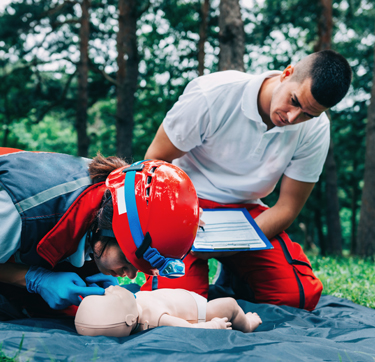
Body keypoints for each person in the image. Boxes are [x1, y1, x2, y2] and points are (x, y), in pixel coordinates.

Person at [143, 50, 352, 311]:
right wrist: (175, 224)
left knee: (296, 297)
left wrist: (232, 244)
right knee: (177, 305)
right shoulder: (213, 93)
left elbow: (287, 207)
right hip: (187, 205)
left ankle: (234, 274)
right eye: (295, 101)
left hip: (248, 214)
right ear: (287, 73)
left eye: (308, 114)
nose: (292, 118)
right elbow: (154, 161)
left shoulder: (317, 128)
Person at [0, 148, 199, 319]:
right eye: (127, 260)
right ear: (107, 228)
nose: (129, 276)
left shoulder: (108, 194)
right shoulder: (18, 212)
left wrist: (90, 270)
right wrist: (34, 279)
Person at [75, 285, 262, 337]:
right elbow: (187, 329)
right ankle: (247, 324)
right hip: (198, 311)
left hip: (180, 298)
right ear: (129, 319)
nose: (111, 291)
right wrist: (213, 325)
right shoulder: (158, 319)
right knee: (229, 304)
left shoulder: (132, 307)